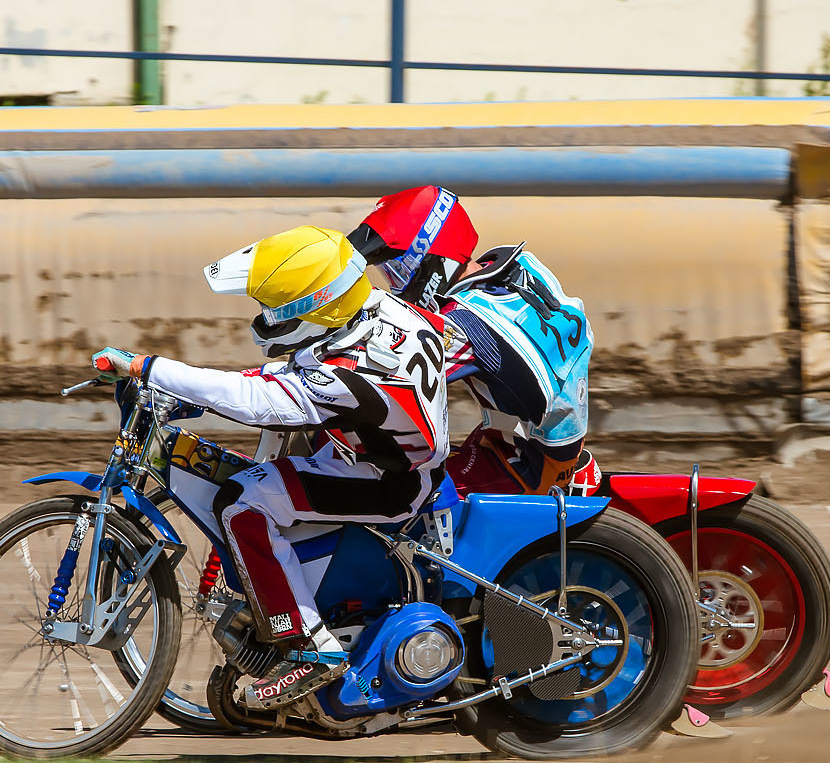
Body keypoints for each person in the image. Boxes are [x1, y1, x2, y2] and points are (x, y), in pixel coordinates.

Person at [92, 224, 451, 711]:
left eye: (277, 309)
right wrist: (187, 393)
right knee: (269, 459)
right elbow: (289, 371)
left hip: (387, 482)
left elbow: (256, 399)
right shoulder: (380, 309)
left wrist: (147, 367)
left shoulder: (346, 376)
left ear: (317, 304)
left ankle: (309, 645)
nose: (266, 317)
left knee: (240, 503)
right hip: (377, 449)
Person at [346, 185, 598, 497]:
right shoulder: (519, 268)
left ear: (430, 257)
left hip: (523, 465)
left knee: (384, 493)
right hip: (548, 440)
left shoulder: (464, 324)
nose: (395, 285)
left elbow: (392, 375)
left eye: (397, 272)